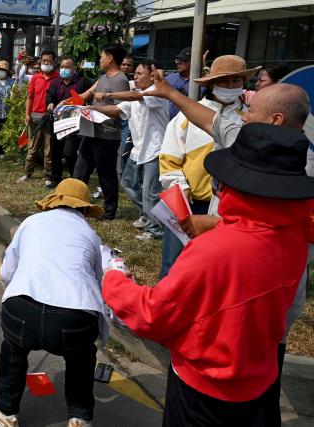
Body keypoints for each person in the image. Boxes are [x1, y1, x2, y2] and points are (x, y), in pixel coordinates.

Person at [102, 123, 314, 426]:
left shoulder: (214, 252)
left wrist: (113, 278)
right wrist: (218, 223)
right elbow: (260, 229)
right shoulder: (295, 236)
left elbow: (152, 314)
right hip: (260, 376)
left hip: (204, 391)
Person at [146, 66, 313, 398]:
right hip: (258, 307)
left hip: (251, 313)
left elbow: (151, 311)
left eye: (250, 109)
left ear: (276, 121)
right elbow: (210, 121)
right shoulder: (248, 134)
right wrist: (170, 93)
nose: (244, 114)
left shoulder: (303, 170)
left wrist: (110, 281)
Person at [0, 178, 106, 427]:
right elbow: (97, 282)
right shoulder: (90, 234)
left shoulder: (31, 222)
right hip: (73, 319)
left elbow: (6, 272)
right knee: (82, 357)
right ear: (85, 209)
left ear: (54, 202)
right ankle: (80, 415)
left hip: (21, 309)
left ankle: (6, 410)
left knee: (13, 351)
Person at [158, 55, 258, 278]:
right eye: (224, 81)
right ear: (212, 82)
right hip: (188, 204)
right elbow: (169, 159)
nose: (231, 86)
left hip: (228, 209)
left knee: (215, 269)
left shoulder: (251, 118)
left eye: (236, 81)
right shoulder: (187, 115)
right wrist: (180, 190)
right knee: (173, 265)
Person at [89, 58, 169, 240]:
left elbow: (135, 97)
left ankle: (155, 229)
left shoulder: (157, 93)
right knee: (127, 183)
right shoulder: (137, 94)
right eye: (136, 73)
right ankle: (149, 215)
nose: (136, 76)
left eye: (140, 73)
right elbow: (117, 109)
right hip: (139, 149)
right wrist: (93, 108)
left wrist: (107, 94)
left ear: (152, 75)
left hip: (155, 150)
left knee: (149, 191)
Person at [73, 43, 131, 220]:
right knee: (80, 170)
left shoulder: (121, 80)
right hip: (90, 130)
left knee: (106, 174)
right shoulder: (103, 77)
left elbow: (119, 110)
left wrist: (94, 109)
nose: (99, 59)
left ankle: (109, 210)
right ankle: (75, 205)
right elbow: (86, 95)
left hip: (107, 135)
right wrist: (67, 102)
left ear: (110, 58)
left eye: (101, 56)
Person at [46, 56, 94, 184]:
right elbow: (50, 97)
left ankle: (76, 178)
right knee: (55, 152)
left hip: (74, 124)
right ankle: (56, 178)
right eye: (62, 67)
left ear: (74, 69)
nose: (64, 69)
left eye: (67, 67)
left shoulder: (82, 82)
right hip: (57, 122)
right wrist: (50, 103)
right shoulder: (55, 83)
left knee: (69, 152)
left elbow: (93, 92)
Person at [17, 50, 59, 185]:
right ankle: (27, 173)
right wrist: (27, 114)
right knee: (32, 148)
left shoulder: (58, 77)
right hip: (34, 116)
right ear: (40, 61)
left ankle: (48, 176)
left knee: (49, 150)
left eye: (49, 61)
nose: (46, 63)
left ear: (54, 62)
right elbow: (30, 97)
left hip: (50, 117)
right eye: (44, 60)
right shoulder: (35, 77)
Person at [165, 47, 206, 119]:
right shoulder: (169, 79)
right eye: (178, 60)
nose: (179, 63)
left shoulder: (201, 82)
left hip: (191, 123)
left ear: (193, 62)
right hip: (169, 124)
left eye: (184, 60)